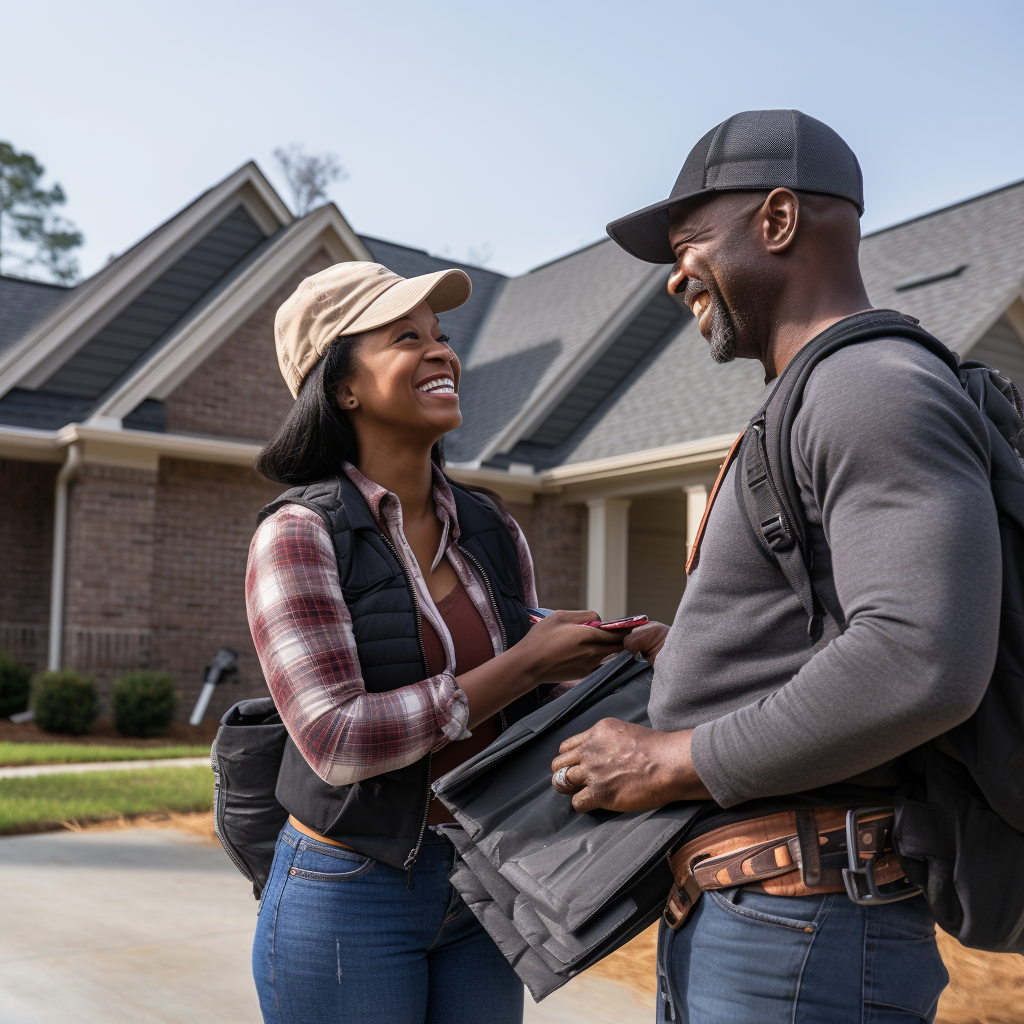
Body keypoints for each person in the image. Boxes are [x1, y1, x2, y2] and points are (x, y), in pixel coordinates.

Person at [550, 110, 1001, 1022]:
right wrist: (689, 655)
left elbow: (920, 659)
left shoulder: (867, 386)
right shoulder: (815, 394)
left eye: (688, 244)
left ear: (780, 219)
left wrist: (669, 757)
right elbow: (837, 629)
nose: (676, 275)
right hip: (766, 919)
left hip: (806, 935)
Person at [246, 261, 623, 1024]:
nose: (442, 352)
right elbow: (334, 739)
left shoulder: (490, 526)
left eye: (442, 336)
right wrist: (523, 666)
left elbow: (539, 686)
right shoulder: (299, 534)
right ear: (342, 385)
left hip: (482, 880)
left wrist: (616, 650)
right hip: (347, 886)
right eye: (405, 337)